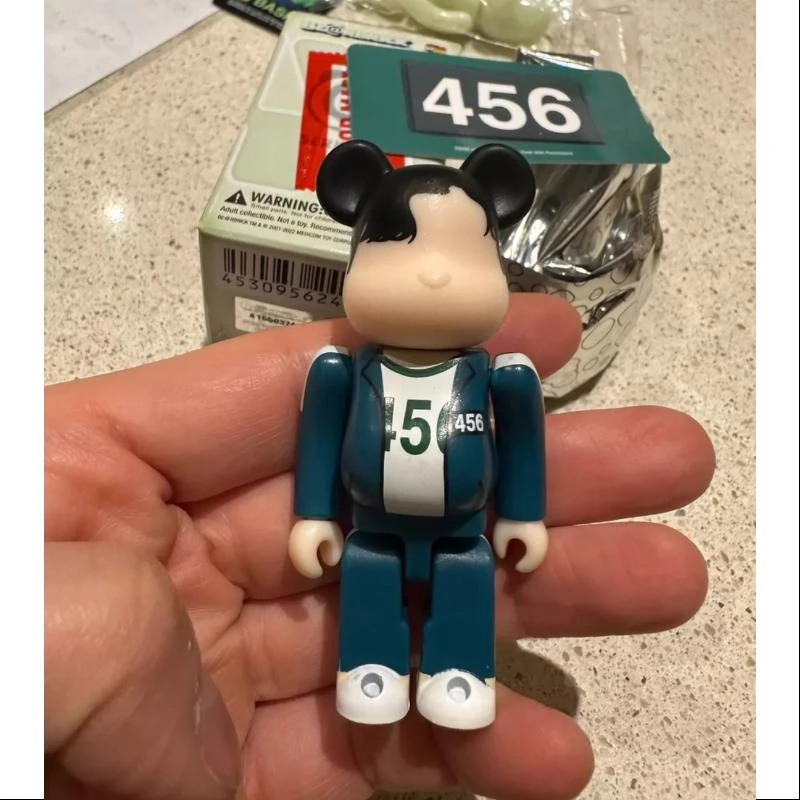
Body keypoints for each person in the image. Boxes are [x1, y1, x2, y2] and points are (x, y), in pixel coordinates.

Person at [44, 293, 715, 800]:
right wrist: (312, 514)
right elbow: (316, 441)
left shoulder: (496, 375)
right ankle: (370, 669)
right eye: (399, 254)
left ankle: (459, 672)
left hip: (461, 531)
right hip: (370, 527)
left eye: (464, 254)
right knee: (367, 584)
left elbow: (523, 443)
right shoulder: (343, 371)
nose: (433, 277)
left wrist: (523, 514)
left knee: (465, 584)